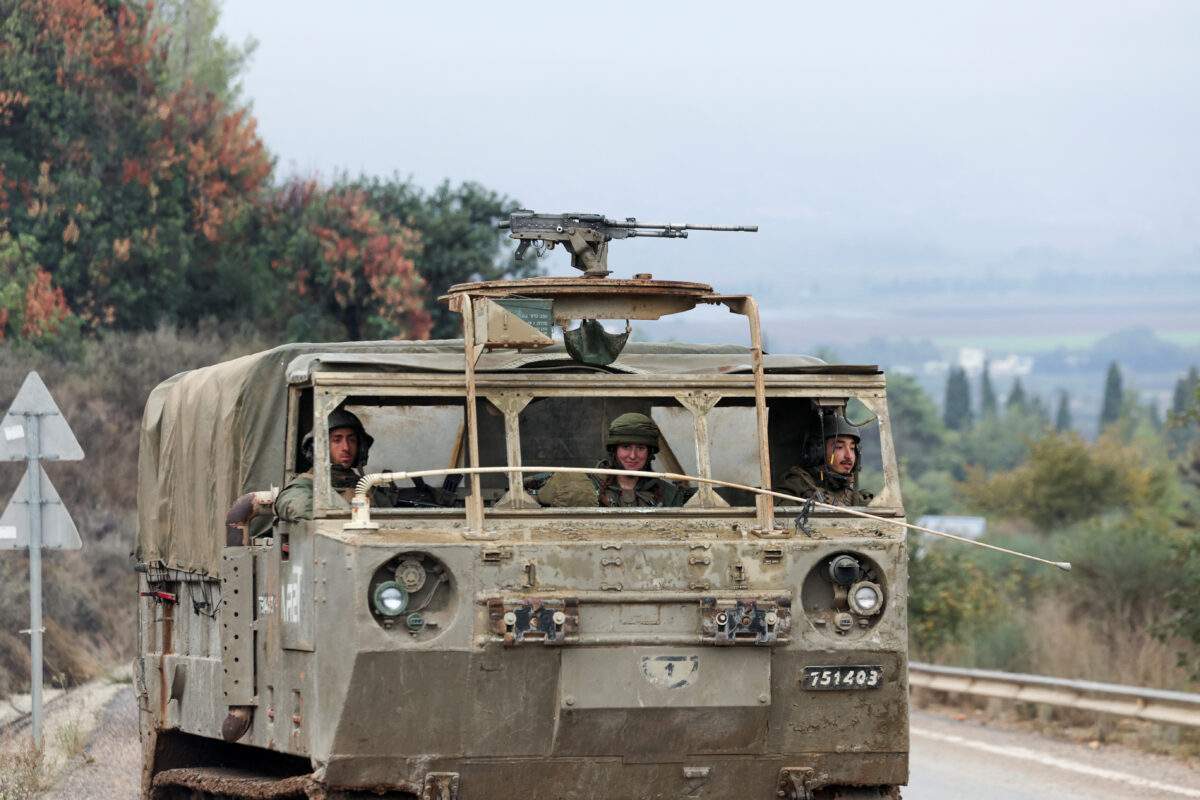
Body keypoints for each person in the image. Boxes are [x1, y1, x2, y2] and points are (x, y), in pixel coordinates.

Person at [534, 412, 685, 507]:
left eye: (640, 448)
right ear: (614, 450)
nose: (632, 456)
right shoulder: (587, 485)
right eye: (626, 447)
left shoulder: (668, 494)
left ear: (650, 453)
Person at [275, 408, 379, 521]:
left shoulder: (367, 488)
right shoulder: (303, 486)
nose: (346, 448)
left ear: (360, 448)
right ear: (320, 447)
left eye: (352, 440)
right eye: (337, 440)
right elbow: (296, 505)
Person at [777, 415, 874, 507]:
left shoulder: (853, 497)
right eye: (839, 447)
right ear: (817, 451)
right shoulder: (794, 487)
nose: (849, 456)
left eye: (852, 448)